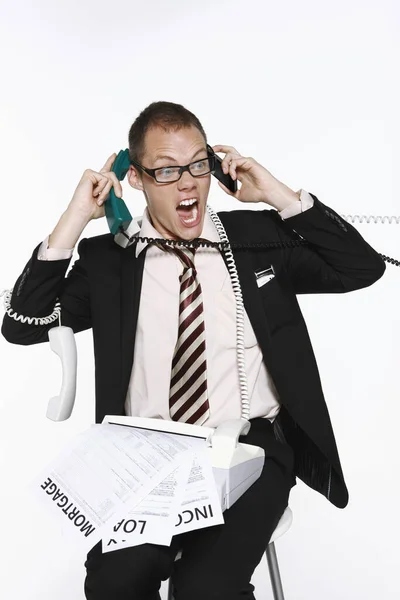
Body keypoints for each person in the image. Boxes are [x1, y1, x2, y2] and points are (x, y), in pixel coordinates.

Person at [1, 101, 386, 600]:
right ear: (135, 178)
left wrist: (276, 194)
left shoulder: (254, 241)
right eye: (166, 170)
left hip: (249, 448)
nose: (187, 183)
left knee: (207, 589)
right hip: (146, 459)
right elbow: (23, 324)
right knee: (115, 582)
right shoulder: (110, 261)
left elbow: (361, 267)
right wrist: (77, 215)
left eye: (198, 165)